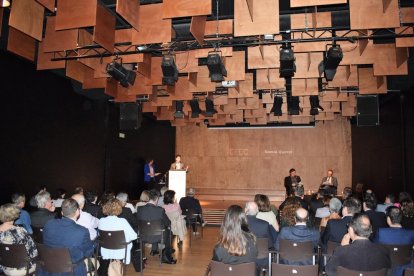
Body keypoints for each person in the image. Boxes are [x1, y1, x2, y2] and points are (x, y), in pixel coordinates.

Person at [41, 199, 95, 276]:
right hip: (71, 271)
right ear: (77, 212)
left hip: (49, 268)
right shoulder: (82, 231)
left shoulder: (48, 224)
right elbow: (88, 252)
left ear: (62, 212)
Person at [325, 213, 391, 276]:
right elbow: (388, 272)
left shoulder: (342, 251)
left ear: (351, 229)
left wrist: (343, 248)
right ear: (370, 231)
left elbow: (329, 270)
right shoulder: (383, 251)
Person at [135, 189, 176, 264]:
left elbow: (137, 222)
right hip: (158, 237)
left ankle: (154, 250)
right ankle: (166, 256)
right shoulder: (160, 210)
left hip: (143, 236)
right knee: (169, 232)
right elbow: (168, 223)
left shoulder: (139, 209)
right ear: (157, 199)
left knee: (152, 228)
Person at [98, 198, 138, 275]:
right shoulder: (122, 221)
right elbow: (134, 236)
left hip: (106, 249)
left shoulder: (101, 220)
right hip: (121, 250)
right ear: (119, 208)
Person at [0, 203, 38, 275]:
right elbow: (33, 252)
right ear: (14, 214)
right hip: (22, 268)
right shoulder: (20, 231)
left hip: (4, 267)